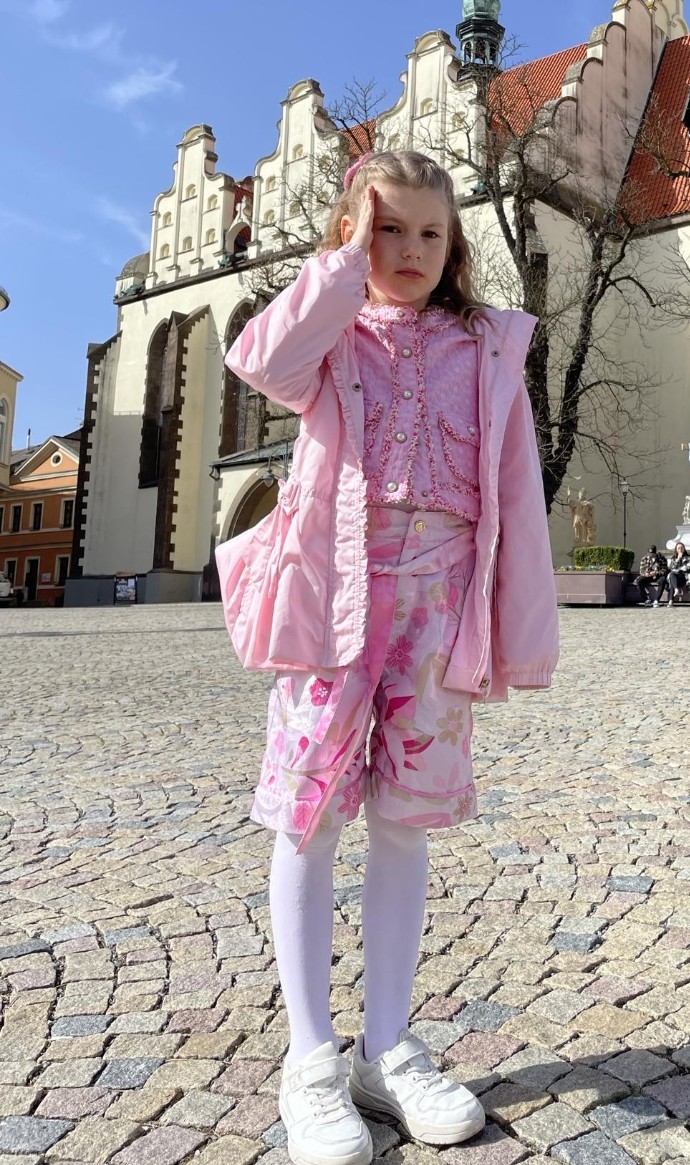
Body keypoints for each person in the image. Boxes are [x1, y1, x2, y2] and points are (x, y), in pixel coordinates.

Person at [217, 149, 559, 1165]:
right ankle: (311, 1058)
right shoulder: (329, 335)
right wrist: (337, 268)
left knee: (407, 824)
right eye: (387, 228)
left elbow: (517, 492)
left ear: (455, 246)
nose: (408, 248)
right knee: (310, 814)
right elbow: (257, 361)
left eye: (428, 232)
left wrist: (519, 629)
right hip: (334, 599)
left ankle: (388, 1045)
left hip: (437, 607)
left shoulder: (489, 346)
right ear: (353, 234)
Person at [661, 541, 690, 606]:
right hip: (676, 578)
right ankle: (674, 594)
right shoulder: (674, 558)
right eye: (678, 548)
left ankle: (671, 600)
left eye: (682, 548)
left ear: (684, 549)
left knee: (673, 579)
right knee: (672, 576)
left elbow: (688, 567)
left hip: (685, 577)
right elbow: (670, 568)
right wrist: (677, 560)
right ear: (676, 550)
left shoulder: (688, 557)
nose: (680, 549)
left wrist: (680, 569)